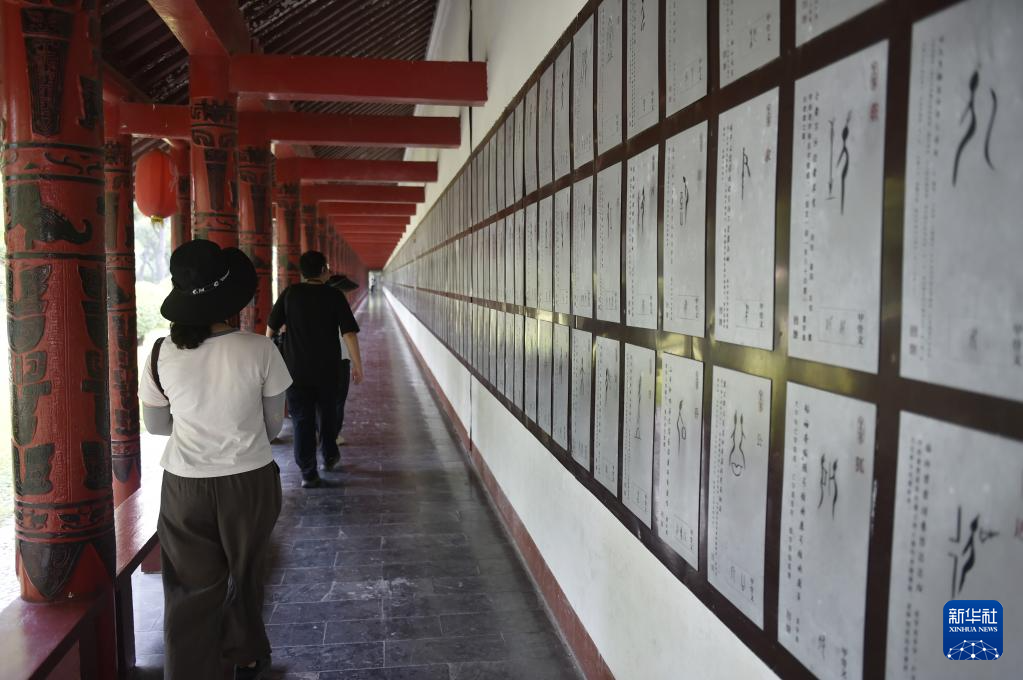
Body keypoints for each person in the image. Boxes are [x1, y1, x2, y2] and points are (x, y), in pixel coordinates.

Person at [139, 240, 292, 680]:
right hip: (249, 481)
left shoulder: (160, 352)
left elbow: (157, 426)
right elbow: (273, 426)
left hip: (185, 484)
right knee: (246, 572)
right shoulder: (260, 350)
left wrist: (198, 424)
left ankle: (188, 671)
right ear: (230, 300)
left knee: (189, 586)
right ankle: (245, 652)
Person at [267, 251, 363, 488]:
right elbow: (349, 333)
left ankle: (308, 472)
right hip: (328, 371)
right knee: (328, 415)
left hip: (295, 371)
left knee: (302, 420)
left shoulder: (290, 293)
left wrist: (268, 355)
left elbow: (271, 327)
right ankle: (329, 456)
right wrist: (357, 364)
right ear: (323, 270)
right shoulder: (334, 295)